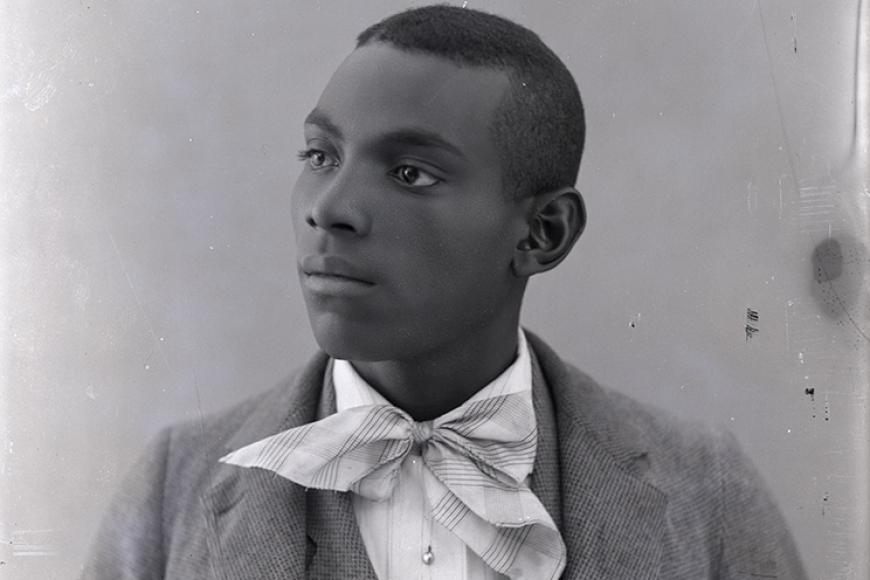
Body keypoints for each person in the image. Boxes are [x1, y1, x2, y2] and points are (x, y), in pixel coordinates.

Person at [82, 5, 807, 579]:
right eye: (320, 155)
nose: (329, 206)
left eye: (410, 174)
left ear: (543, 234)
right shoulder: (172, 489)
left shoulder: (704, 491)